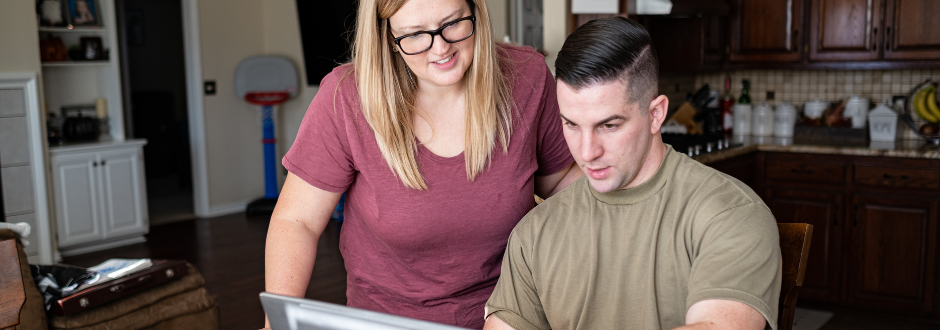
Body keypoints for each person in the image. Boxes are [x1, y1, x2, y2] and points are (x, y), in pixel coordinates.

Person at [264, 0, 581, 328]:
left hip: (508, 315)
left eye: (453, 23)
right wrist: (276, 322)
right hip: (386, 320)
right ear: (388, 36)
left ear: (476, 11)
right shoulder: (345, 98)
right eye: (415, 34)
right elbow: (297, 221)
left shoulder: (526, 76)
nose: (441, 48)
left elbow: (558, 184)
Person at [483, 17, 782, 330]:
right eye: (571, 124)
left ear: (656, 115)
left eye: (608, 125)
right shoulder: (535, 232)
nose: (587, 152)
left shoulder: (730, 214)